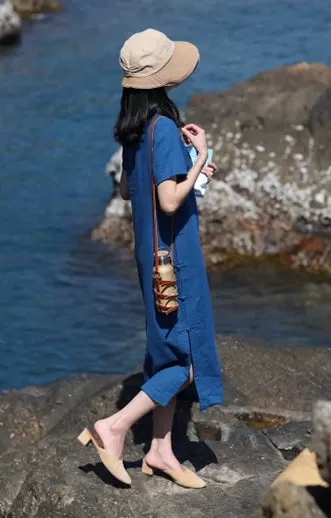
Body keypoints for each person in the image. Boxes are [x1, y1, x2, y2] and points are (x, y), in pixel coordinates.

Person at [78, 28, 223, 489]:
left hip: (148, 258)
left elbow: (126, 190)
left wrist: (189, 169)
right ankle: (114, 427)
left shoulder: (134, 129)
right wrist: (198, 157)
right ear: (164, 78)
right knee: (185, 362)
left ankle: (161, 450)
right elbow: (169, 202)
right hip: (174, 261)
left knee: (162, 353)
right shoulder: (162, 129)